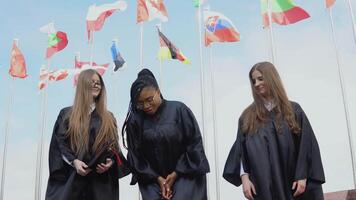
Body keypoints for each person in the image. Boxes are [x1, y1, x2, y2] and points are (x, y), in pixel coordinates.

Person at [223, 62, 325, 200]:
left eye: (260, 78)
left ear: (271, 78)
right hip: (264, 185)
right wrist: (245, 179)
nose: (257, 84)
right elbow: (241, 151)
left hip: (293, 182)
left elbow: (306, 145)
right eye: (253, 81)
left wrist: (302, 175)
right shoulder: (247, 117)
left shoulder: (293, 110)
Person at [122, 68, 210, 200]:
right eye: (140, 103)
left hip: (186, 175)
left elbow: (194, 146)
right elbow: (136, 158)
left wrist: (175, 174)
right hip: (152, 181)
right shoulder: (135, 122)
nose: (146, 106)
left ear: (158, 91)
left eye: (149, 99)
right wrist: (159, 180)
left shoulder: (179, 110)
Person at [45, 69, 128, 200]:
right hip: (73, 180)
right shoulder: (67, 115)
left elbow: (114, 147)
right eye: (92, 82)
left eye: (98, 83)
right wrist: (74, 162)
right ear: (83, 85)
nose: (96, 85)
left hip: (100, 183)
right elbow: (60, 144)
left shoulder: (108, 117)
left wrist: (110, 162)